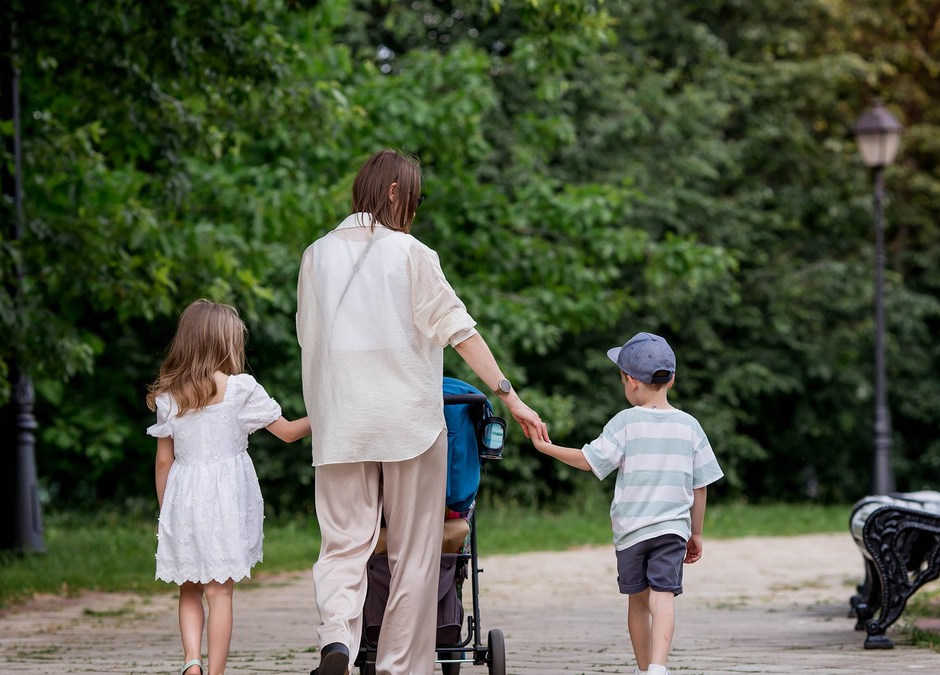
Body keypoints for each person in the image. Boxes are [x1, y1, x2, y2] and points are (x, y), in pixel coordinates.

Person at [296, 148, 548, 675]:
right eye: (413, 196)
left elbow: (310, 341)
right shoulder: (411, 253)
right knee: (413, 553)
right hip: (407, 421)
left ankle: (337, 643)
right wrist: (509, 395)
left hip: (341, 422)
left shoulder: (315, 255)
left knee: (343, 545)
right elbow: (459, 331)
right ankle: (396, 669)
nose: (414, 207)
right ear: (393, 192)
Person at [531, 332, 723, 675]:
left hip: (631, 532)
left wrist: (547, 448)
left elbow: (590, 461)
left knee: (638, 601)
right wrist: (696, 533)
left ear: (631, 382)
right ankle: (658, 668)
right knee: (663, 597)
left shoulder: (624, 422)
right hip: (671, 531)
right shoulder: (690, 427)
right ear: (672, 379)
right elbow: (701, 486)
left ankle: (642, 668)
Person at [145, 299, 311, 675]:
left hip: (183, 495)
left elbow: (162, 461)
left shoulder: (169, 396)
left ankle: (191, 663)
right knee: (219, 592)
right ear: (225, 344)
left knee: (188, 587)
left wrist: (166, 509)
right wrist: (324, 416)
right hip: (225, 500)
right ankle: (215, 673)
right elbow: (286, 433)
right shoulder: (240, 389)